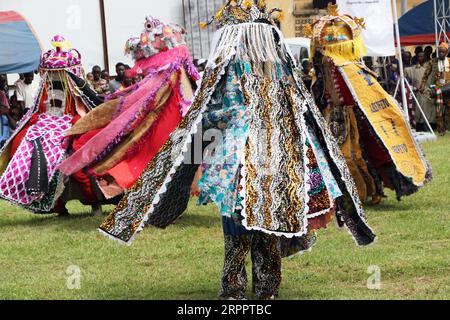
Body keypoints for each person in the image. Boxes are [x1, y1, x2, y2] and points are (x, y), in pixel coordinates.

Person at [97, 1, 376, 300]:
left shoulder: (229, 68)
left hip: (236, 159)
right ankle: (266, 287)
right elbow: (303, 115)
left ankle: (234, 288)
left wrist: (193, 155)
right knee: (268, 222)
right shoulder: (280, 68)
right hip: (276, 156)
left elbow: (207, 115)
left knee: (236, 225)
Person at [58, 16, 199, 204]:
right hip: (165, 119)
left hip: (173, 118)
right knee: (151, 158)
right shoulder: (166, 71)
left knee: (166, 158)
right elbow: (149, 96)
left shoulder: (171, 69)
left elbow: (164, 94)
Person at [307, 4, 431, 204]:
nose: (326, 55)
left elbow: (369, 94)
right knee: (338, 156)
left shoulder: (352, 68)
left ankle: (372, 190)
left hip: (358, 118)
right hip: (334, 117)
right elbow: (320, 93)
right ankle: (349, 193)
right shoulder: (321, 69)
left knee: (365, 154)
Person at [0, 35, 105, 215]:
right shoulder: (44, 91)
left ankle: (95, 202)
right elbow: (38, 112)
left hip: (70, 128)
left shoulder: (76, 91)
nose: (54, 76)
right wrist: (36, 126)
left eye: (59, 73)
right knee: (26, 151)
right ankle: (57, 208)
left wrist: (73, 127)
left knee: (79, 166)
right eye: (51, 73)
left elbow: (83, 110)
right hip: (45, 129)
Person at [421, 42, 450, 135]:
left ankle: (448, 128)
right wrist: (422, 86)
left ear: (447, 52)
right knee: (439, 111)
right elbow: (425, 75)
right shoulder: (433, 62)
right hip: (438, 90)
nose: (441, 54)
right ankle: (441, 131)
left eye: (443, 52)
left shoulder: (449, 61)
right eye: (440, 52)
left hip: (448, 89)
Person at [405, 51, 435, 131]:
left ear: (425, 57)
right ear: (416, 57)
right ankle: (420, 126)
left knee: (429, 111)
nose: (421, 58)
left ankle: (429, 125)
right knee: (419, 112)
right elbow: (405, 75)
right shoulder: (412, 69)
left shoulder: (430, 67)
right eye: (419, 56)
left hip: (429, 92)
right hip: (418, 94)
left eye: (422, 56)